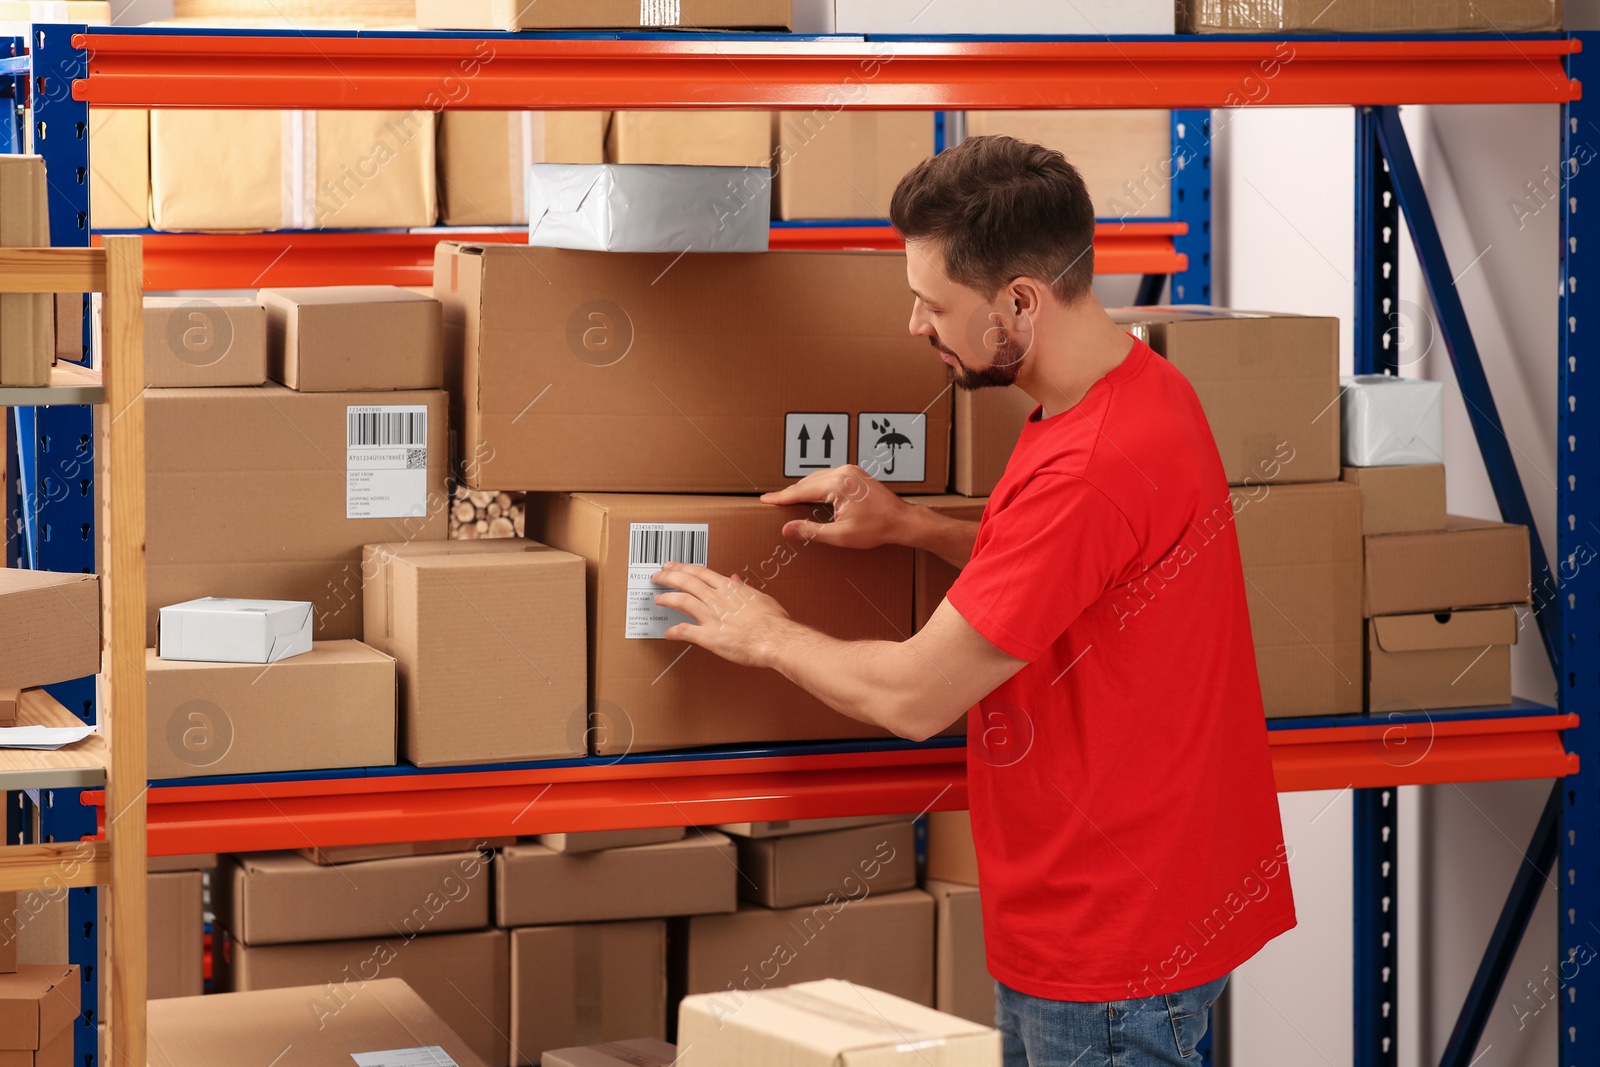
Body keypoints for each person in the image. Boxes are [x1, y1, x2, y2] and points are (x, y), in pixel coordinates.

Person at [649, 134, 1296, 1066]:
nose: (916, 325)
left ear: (1019, 302)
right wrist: (915, 529)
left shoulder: (1090, 467)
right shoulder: (1138, 392)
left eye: (933, 303)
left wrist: (767, 631)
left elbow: (914, 696)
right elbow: (1083, 579)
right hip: (1127, 911)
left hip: (1110, 948)